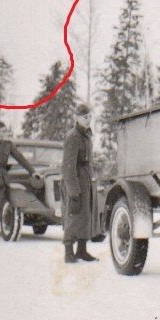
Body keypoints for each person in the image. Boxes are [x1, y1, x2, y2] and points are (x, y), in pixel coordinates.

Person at [0, 120, 39, 223]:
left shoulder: (8, 145)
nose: (1, 133)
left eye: (4, 131)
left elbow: (20, 158)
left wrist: (32, 172)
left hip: (2, 179)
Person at [61, 103, 99, 263]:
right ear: (76, 117)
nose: (88, 120)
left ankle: (81, 251)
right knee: (74, 215)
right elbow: (68, 165)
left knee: (85, 215)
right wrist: (73, 189)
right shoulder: (74, 136)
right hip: (75, 181)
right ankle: (69, 252)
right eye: (85, 117)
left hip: (85, 180)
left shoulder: (86, 135)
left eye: (90, 117)